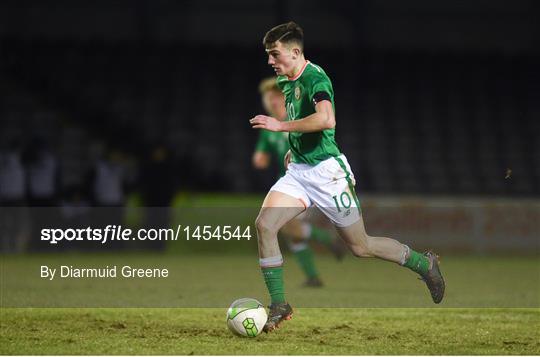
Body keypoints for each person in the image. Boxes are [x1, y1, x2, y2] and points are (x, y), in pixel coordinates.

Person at [250, 22, 445, 333]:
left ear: (296, 52)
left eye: (275, 54)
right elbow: (304, 120)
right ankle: (279, 304)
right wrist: (292, 147)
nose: (270, 61)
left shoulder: (316, 77)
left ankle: (423, 263)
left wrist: (280, 127)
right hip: (299, 172)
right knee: (265, 224)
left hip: (328, 174)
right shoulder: (285, 81)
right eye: (268, 55)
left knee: (361, 247)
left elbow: (326, 118)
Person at [253, 77, 345, 287]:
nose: (273, 102)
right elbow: (262, 156)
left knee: (282, 227)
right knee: (289, 233)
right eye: (269, 98)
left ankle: (325, 239)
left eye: (276, 97)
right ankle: (313, 275)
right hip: (288, 183)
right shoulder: (269, 127)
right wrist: (260, 158)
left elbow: (322, 128)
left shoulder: (296, 117)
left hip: (307, 180)